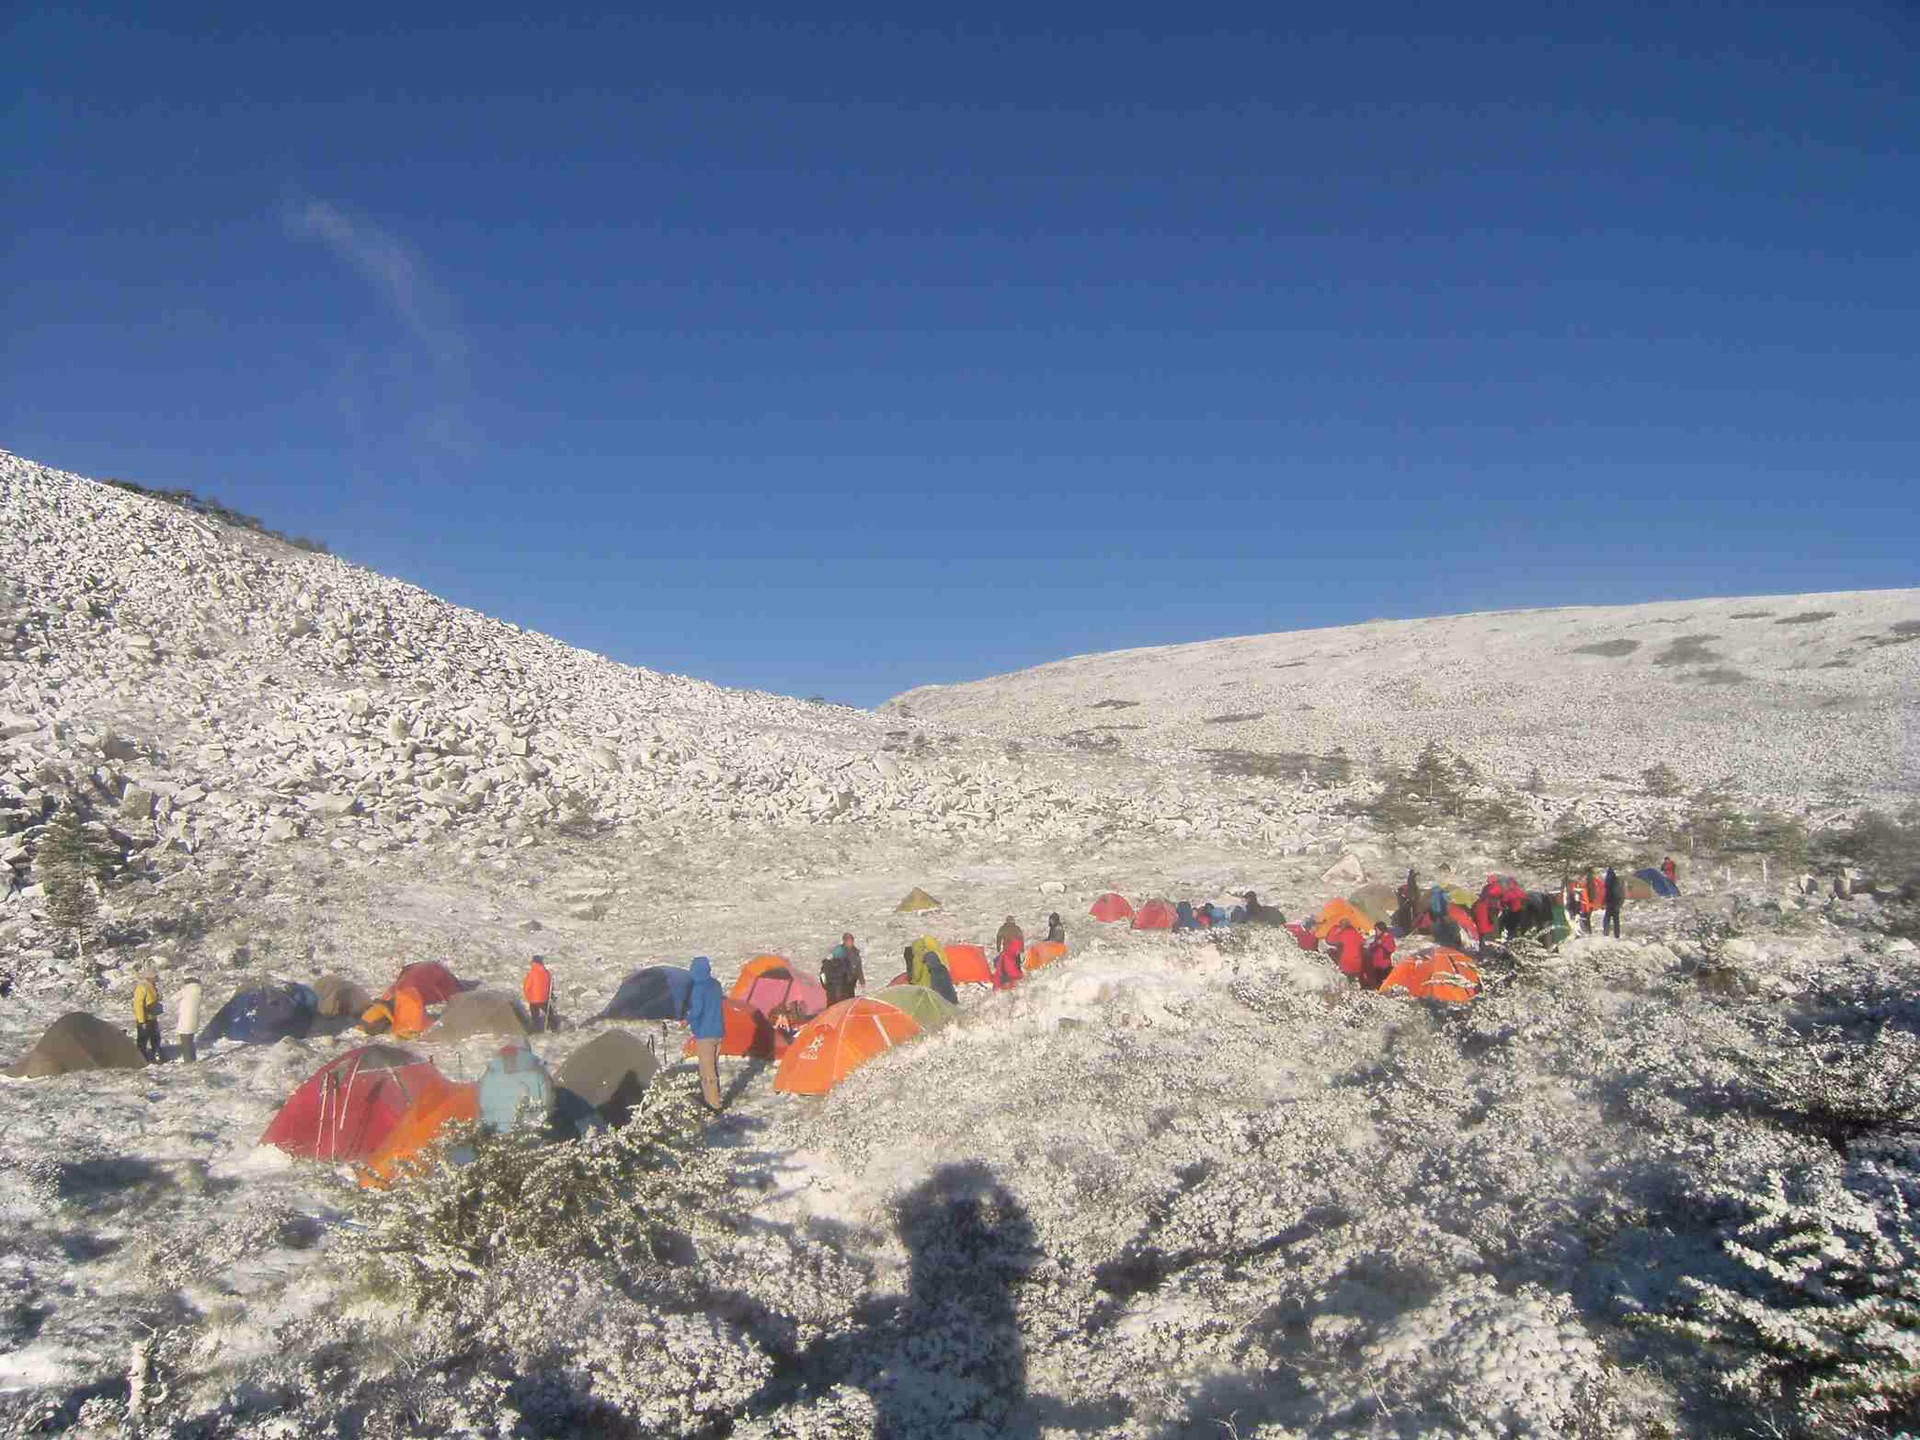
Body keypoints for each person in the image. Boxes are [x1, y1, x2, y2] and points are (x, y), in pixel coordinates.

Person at [686, 956, 726, 1113]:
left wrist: (687, 1019)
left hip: (705, 1033)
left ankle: (713, 1104)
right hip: (718, 1031)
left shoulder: (698, 988)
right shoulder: (716, 984)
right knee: (714, 1067)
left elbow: (697, 1010)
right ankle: (716, 1097)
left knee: (706, 1069)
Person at [822, 932, 864, 1007]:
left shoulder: (855, 952)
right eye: (848, 940)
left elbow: (858, 966)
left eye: (851, 940)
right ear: (844, 941)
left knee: (849, 1000)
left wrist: (861, 979)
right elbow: (835, 967)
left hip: (851, 981)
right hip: (841, 982)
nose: (850, 942)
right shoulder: (839, 951)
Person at [132, 970, 163, 1064]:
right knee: (142, 1040)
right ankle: (141, 1059)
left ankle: (155, 1056)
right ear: (149, 977)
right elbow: (138, 1005)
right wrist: (142, 1021)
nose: (156, 980)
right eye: (155, 977)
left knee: (155, 1038)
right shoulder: (142, 987)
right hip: (145, 1019)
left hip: (152, 1017)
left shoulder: (152, 986)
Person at [172, 974, 202, 1062]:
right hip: (194, 1019)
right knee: (190, 1041)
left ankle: (188, 1061)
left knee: (185, 1042)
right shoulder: (198, 990)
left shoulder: (186, 990)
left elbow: (173, 998)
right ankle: (192, 1059)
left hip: (185, 1019)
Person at [522, 955, 553, 1033]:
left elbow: (526, 987)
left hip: (533, 999)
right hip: (544, 998)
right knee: (549, 1014)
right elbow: (550, 985)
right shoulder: (547, 973)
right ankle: (553, 1027)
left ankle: (536, 1030)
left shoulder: (532, 973)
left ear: (534, 963)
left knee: (535, 1016)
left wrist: (528, 996)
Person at [1362, 924, 1397, 990]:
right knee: (1377, 982)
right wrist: (1371, 946)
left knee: (1384, 982)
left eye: (1377, 930)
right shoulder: (1377, 937)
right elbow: (1374, 946)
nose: (1376, 932)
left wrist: (1382, 944)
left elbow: (1391, 949)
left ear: (1381, 930)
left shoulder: (1388, 938)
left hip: (1384, 964)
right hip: (1376, 964)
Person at [1602, 866, 1624, 939]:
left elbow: (1604, 894)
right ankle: (1617, 935)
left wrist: (1603, 903)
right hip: (1616, 905)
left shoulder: (1607, 882)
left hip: (1609, 904)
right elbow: (1621, 894)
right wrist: (1620, 904)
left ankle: (1606, 934)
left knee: (1606, 919)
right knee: (1616, 920)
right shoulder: (1618, 882)